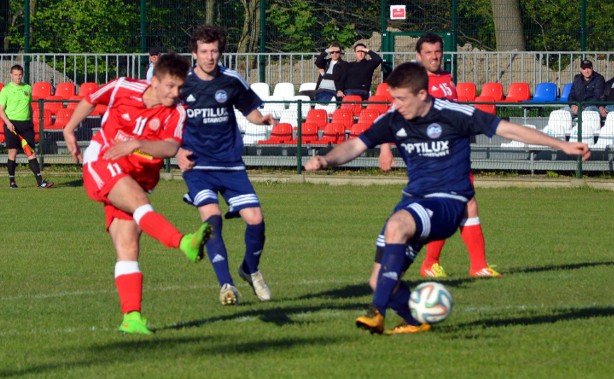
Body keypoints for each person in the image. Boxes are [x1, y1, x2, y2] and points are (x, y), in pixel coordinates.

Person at [305, 62, 590, 335]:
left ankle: (375, 313)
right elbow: (356, 144)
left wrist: (561, 145)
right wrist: (326, 159)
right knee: (379, 280)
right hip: (413, 201)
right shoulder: (393, 119)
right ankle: (416, 321)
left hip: (448, 202)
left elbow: (508, 129)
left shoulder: (454, 113)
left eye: (402, 99)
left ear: (421, 94)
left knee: (397, 224)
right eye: (394, 99)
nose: (397, 105)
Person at [62, 52, 213, 336]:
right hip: (103, 161)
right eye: (170, 86)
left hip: (139, 175)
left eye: (180, 87)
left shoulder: (177, 112)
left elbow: (169, 148)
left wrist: (136, 144)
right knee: (140, 203)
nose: (175, 93)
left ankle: (131, 317)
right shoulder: (123, 87)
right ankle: (184, 242)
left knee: (128, 245)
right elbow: (92, 98)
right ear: (154, 81)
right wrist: (69, 129)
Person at [377, 33, 497, 280]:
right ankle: (472, 265)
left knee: (460, 206)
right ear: (419, 55)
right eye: (429, 52)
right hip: (433, 158)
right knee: (463, 204)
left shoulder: (446, 79)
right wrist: (386, 147)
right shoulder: (414, 82)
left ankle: (439, 263)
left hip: (454, 154)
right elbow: (395, 114)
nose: (434, 56)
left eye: (438, 51)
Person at [176, 24, 275, 306]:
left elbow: (250, 112)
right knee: (212, 221)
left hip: (230, 164)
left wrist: (264, 119)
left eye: (214, 51)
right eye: (204, 51)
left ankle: (250, 270)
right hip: (198, 167)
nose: (210, 57)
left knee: (256, 221)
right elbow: (165, 117)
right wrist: (177, 150)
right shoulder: (182, 83)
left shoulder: (231, 79)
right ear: (194, 53)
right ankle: (226, 285)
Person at [0, 64, 54, 189]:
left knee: (30, 152)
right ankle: (12, 182)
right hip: (11, 123)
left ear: (22, 75)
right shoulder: (6, 90)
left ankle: (40, 182)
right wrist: (8, 123)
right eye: (15, 75)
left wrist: (30, 121)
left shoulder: (28, 88)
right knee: (12, 152)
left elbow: (28, 106)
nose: (18, 77)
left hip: (26, 124)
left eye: (19, 75)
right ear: (11, 75)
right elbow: (1, 110)